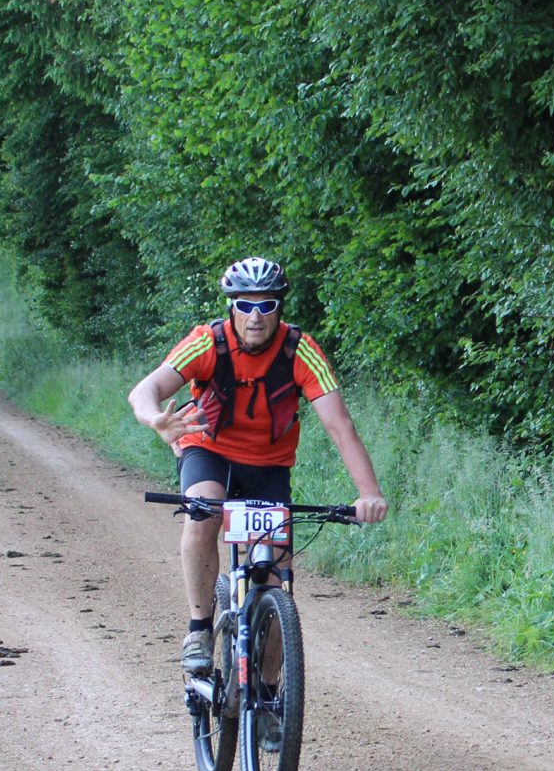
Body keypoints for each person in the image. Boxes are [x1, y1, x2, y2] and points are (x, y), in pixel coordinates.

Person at [128, 257, 388, 671]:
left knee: (276, 583)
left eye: (266, 305)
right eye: (245, 305)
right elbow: (146, 390)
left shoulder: (300, 350)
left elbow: (341, 427)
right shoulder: (207, 342)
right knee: (203, 512)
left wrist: (369, 493)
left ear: (279, 308)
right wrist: (155, 418)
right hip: (209, 452)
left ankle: (268, 697)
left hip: (268, 467)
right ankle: (199, 628)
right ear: (231, 307)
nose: (255, 316)